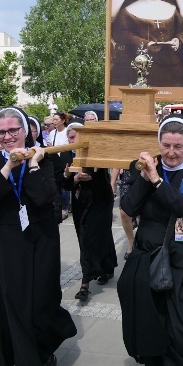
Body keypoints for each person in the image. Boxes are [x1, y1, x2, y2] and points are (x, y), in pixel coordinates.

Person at [0, 107, 77, 366]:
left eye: (13, 130)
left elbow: (44, 198)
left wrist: (31, 165)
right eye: (1, 132)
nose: (8, 136)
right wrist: (9, 165)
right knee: (15, 302)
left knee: (43, 299)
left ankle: (43, 348)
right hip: (7, 239)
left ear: (26, 131)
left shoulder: (44, 160)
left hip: (42, 237)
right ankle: (26, 361)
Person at [118, 114, 183, 366]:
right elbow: (128, 207)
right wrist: (145, 178)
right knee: (150, 313)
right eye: (166, 145)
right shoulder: (145, 168)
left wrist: (157, 181)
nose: (171, 152)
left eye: (178, 146)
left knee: (180, 316)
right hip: (148, 249)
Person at [60, 123, 117, 301]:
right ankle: (97, 272)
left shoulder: (97, 152)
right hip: (80, 202)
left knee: (100, 235)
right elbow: (63, 184)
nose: (75, 141)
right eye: (72, 138)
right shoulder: (66, 154)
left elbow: (108, 173)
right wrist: (73, 177)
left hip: (101, 201)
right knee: (84, 238)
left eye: (79, 137)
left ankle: (89, 281)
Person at [111, 0, 183, 87]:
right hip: (143, 66)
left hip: (171, 67)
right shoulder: (129, 11)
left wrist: (178, 40)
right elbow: (120, 33)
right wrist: (144, 43)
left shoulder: (171, 10)